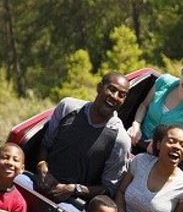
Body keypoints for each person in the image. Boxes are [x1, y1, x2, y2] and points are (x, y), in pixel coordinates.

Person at [31, 72, 132, 202]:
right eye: (112, 90)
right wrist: (42, 166)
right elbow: (46, 144)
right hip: (41, 183)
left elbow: (108, 188)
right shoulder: (67, 107)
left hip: (73, 203)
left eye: (122, 95)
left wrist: (73, 189)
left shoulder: (120, 140)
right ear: (99, 87)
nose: (115, 97)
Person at [127, 60, 183, 158]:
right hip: (136, 140)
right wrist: (136, 124)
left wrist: (166, 146)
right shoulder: (164, 81)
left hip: (163, 157)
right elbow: (144, 105)